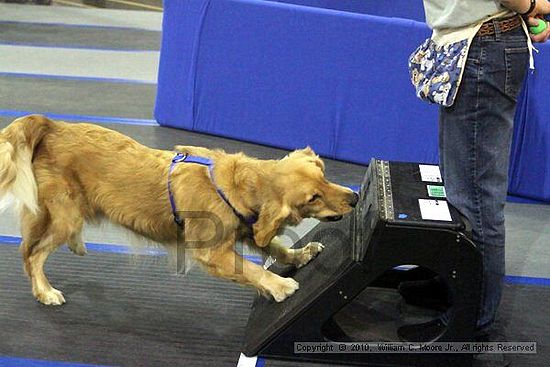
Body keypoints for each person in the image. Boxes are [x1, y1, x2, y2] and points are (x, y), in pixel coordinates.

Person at [398, 0, 550, 342]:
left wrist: (528, 7)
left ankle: (470, 320)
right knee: (460, 186)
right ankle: (454, 285)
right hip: (474, 42)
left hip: (483, 45)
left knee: (477, 199)